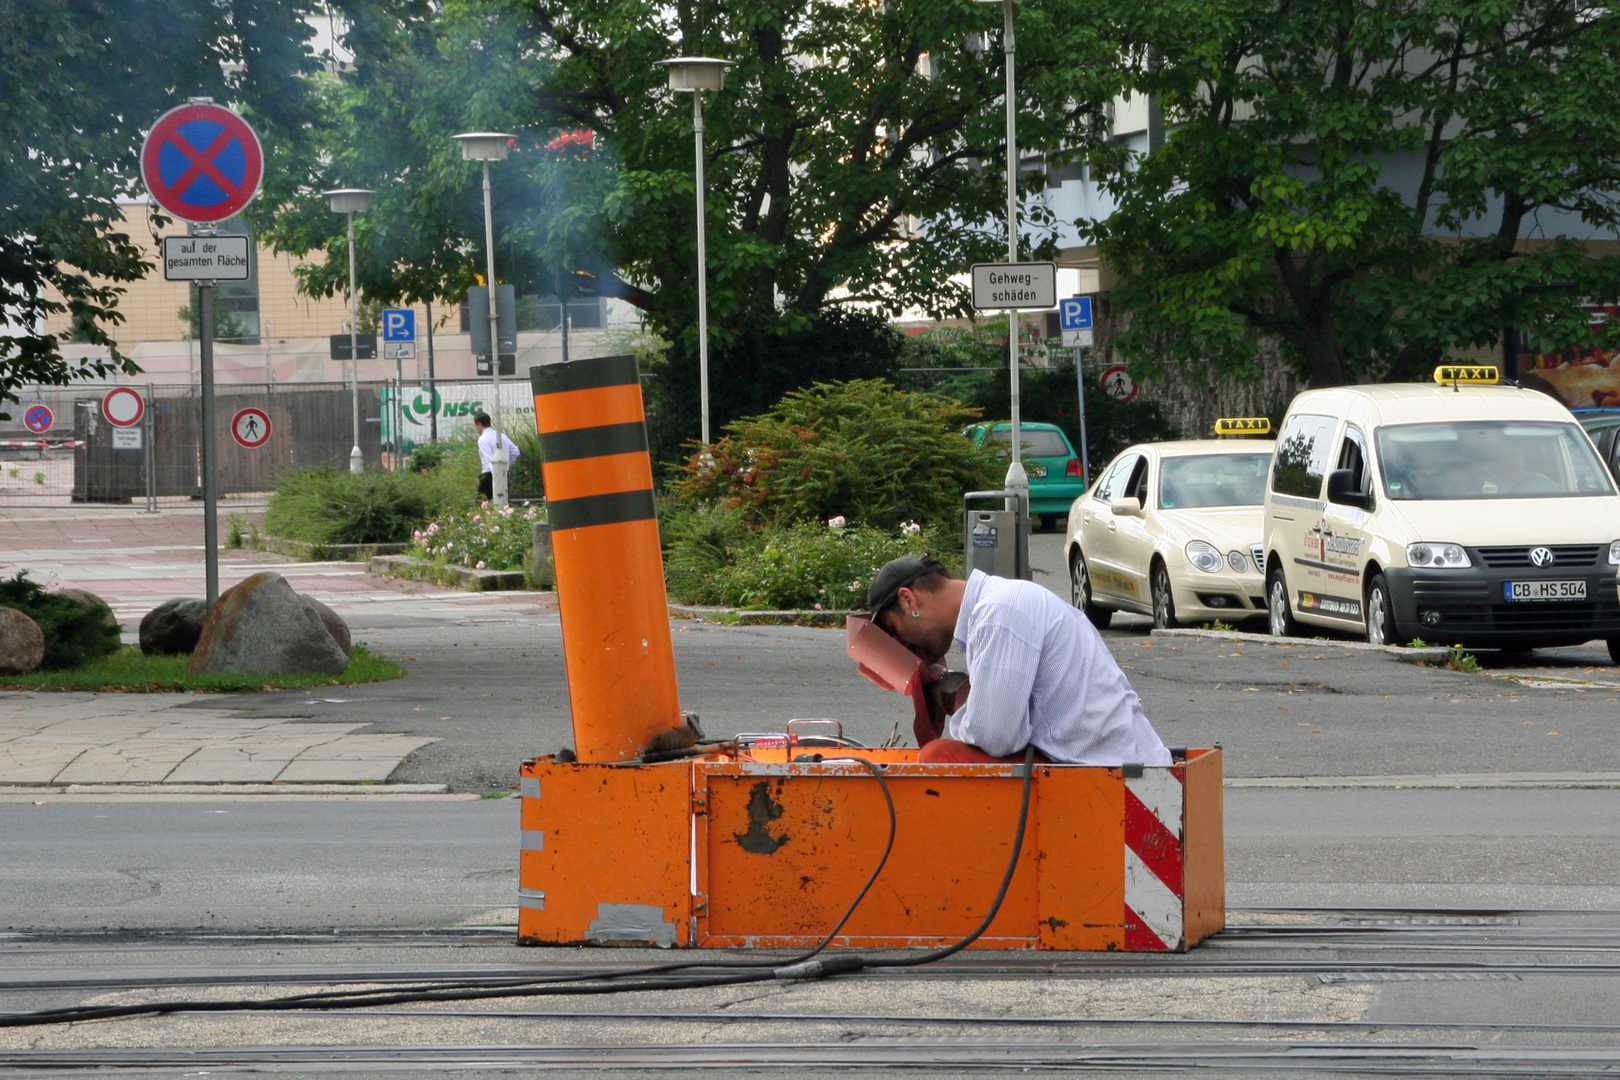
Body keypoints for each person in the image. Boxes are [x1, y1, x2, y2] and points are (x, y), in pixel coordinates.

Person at [868, 555, 1171, 766]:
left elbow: (995, 738)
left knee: (939, 757)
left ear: (909, 600)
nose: (906, 645)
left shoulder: (999, 613)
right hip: (1103, 760)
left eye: (896, 631)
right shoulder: (997, 604)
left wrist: (964, 708)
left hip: (1108, 771)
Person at [472, 412, 519, 501]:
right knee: (503, 502)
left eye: (476, 425)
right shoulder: (501, 436)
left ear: (479, 424)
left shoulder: (483, 439)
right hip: (504, 474)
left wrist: (496, 475)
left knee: (482, 503)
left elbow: (489, 459)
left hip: (489, 475)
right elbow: (515, 452)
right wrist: (506, 464)